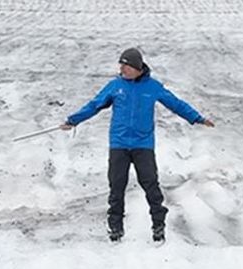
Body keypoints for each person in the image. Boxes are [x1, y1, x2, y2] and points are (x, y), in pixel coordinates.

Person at [60, 47, 214, 243]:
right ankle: (115, 229)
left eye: (125, 66)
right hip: (119, 144)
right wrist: (73, 120)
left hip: (143, 145)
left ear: (136, 67)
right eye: (121, 66)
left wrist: (197, 118)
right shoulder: (115, 86)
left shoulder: (153, 87)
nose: (121, 70)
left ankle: (158, 225)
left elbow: (176, 104)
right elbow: (95, 105)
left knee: (151, 185)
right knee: (117, 187)